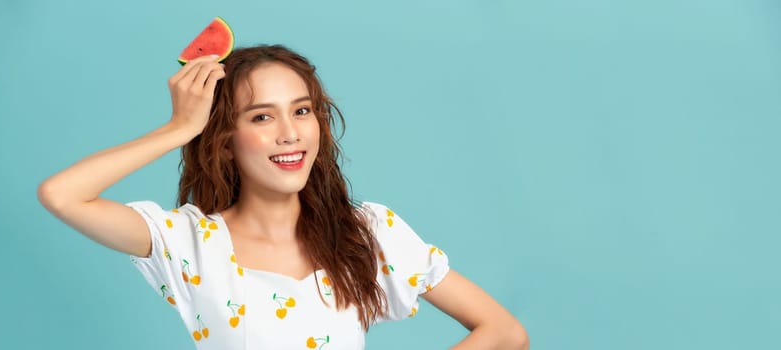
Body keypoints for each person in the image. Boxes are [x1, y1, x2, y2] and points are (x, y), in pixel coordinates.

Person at [37, 45, 529, 349]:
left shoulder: (368, 234)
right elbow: (62, 195)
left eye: (302, 111)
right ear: (225, 142)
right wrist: (180, 127)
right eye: (262, 117)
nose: (290, 133)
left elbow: (505, 333)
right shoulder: (188, 243)